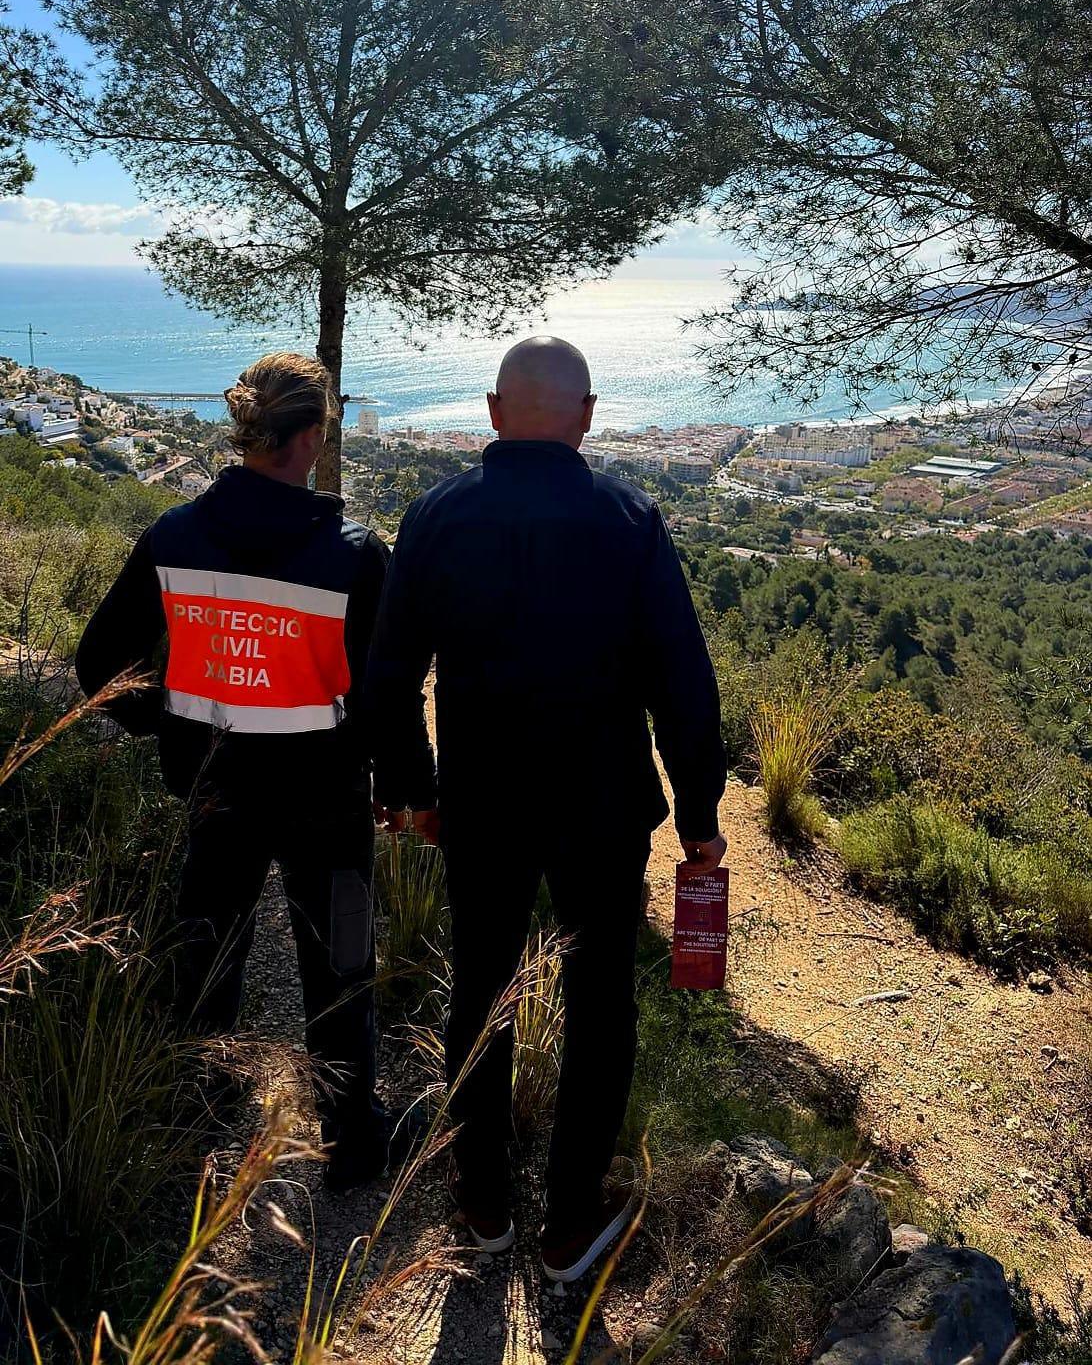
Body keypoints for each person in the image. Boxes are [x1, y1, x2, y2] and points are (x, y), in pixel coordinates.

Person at [365, 336, 727, 1282]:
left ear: (492, 412)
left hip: (479, 804)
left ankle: (481, 1200)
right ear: (588, 415)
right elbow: (683, 681)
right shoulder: (629, 518)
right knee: (600, 1000)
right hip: (602, 809)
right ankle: (571, 1221)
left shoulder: (435, 517)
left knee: (480, 990)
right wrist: (699, 811)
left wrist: (412, 789)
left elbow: (391, 675)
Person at [76, 351, 427, 1192]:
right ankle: (350, 1141)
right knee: (340, 965)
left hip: (213, 790)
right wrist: (410, 790)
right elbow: (386, 697)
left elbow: (99, 666)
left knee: (205, 955)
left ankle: (196, 1124)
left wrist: (170, 722)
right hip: (327, 804)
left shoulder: (174, 535)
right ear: (310, 438)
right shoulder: (350, 552)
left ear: (246, 434)